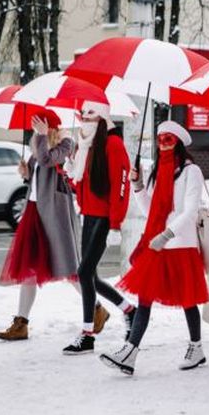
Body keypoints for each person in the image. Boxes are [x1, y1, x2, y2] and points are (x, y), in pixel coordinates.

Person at [100, 121, 209, 375]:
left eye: (169, 138)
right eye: (160, 138)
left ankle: (196, 347)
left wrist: (168, 234)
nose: (163, 142)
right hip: (156, 242)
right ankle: (130, 352)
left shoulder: (191, 171)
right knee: (145, 298)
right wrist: (137, 186)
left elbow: (190, 210)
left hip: (180, 243)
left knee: (188, 298)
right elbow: (151, 209)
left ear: (179, 143)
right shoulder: (158, 170)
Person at [0, 113, 85, 340]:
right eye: (35, 126)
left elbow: (47, 160)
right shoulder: (40, 143)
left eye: (41, 125)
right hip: (34, 212)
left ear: (51, 126)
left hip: (55, 213)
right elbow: (38, 176)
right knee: (28, 268)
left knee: (69, 268)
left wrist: (42, 137)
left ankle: (95, 310)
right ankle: (21, 323)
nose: (36, 129)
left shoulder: (67, 143)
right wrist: (26, 175)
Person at [62, 103, 136, 355]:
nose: (84, 119)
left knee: (83, 273)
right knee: (90, 275)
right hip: (89, 215)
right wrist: (72, 172)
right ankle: (129, 310)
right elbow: (84, 183)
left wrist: (115, 224)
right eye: (82, 115)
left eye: (90, 114)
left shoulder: (113, 145)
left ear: (103, 117)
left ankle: (87, 335)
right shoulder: (87, 145)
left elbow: (121, 187)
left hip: (104, 217)